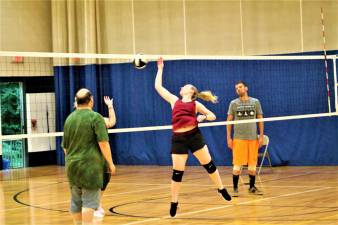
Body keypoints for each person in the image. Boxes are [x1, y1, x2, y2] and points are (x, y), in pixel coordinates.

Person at [155, 57, 231, 217]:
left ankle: (221, 188)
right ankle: (174, 202)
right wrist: (160, 69)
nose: (181, 87)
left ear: (191, 91)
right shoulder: (174, 101)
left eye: (185, 86)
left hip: (194, 137)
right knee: (177, 173)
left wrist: (202, 118)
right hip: (178, 139)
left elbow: (213, 116)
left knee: (209, 166)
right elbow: (158, 87)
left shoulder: (196, 105)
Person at [62, 88, 116, 225]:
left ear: (77, 102)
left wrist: (72, 161)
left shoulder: (69, 119)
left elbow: (65, 148)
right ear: (91, 100)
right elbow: (103, 143)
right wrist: (111, 163)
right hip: (90, 168)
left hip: (72, 167)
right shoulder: (95, 117)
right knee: (89, 203)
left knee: (76, 201)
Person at [226, 81, 264, 197]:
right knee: (237, 166)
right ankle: (235, 189)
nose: (238, 89)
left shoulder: (255, 102)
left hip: (253, 138)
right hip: (239, 138)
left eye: (240, 87)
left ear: (246, 88)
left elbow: (260, 119)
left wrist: (261, 136)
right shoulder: (233, 103)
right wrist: (229, 137)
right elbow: (229, 121)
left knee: (252, 166)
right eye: (236, 88)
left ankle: (252, 187)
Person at [94, 96, 116, 218]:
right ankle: (94, 206)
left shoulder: (98, 119)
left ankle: (97, 203)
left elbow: (112, 122)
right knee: (93, 181)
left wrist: (110, 106)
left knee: (105, 179)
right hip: (90, 156)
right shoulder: (76, 121)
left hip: (102, 156)